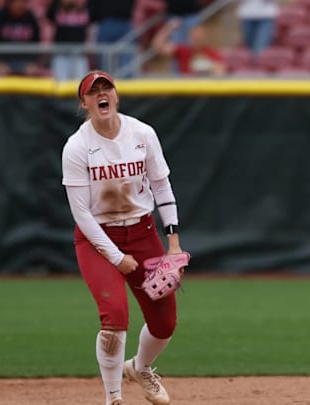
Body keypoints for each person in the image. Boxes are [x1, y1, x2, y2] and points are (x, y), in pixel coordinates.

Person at [61, 70, 186, 405]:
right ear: (85, 102)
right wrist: (116, 257)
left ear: (115, 95)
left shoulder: (142, 133)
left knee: (165, 322)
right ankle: (113, 398)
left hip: (143, 232)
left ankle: (140, 367)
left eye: (107, 88)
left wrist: (173, 241)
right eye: (94, 91)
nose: (102, 94)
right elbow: (81, 214)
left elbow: (161, 185)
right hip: (97, 239)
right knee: (114, 317)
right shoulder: (77, 147)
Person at [0, 0, 42, 77]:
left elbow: (36, 44)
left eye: (23, 2)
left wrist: (32, 63)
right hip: (2, 60)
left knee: (35, 74)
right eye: (18, 2)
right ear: (10, 3)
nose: (21, 5)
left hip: (25, 61)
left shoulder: (31, 18)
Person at [152, 20, 226, 77]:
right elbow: (158, 46)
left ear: (204, 36)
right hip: (186, 91)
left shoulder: (212, 53)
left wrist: (208, 67)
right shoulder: (183, 50)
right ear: (189, 37)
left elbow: (222, 71)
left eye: (199, 36)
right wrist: (169, 27)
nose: (197, 38)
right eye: (194, 35)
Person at [87, 0, 136, 77]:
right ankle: (104, 83)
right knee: (103, 61)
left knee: (127, 64)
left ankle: (125, 86)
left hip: (124, 21)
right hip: (106, 21)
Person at [46, 0, 91, 81]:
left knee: (81, 84)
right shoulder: (56, 6)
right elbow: (49, 15)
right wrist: (61, 3)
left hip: (79, 54)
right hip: (61, 54)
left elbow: (95, 15)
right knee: (60, 85)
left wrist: (78, 4)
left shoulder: (86, 6)